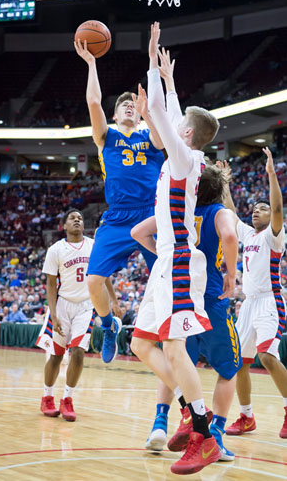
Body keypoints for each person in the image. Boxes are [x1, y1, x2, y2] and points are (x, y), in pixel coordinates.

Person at [131, 22, 221, 475]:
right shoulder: (182, 154)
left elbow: (166, 120)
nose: (170, 123)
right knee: (141, 343)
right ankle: (190, 409)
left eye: (178, 125)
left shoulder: (185, 158)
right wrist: (167, 80)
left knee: (174, 349)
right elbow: (171, 114)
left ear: (186, 135)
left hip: (181, 262)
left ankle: (204, 435)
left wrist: (150, 62)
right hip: (166, 263)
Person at [136, 164, 241, 461]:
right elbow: (231, 235)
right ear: (219, 190)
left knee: (176, 359)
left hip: (180, 295)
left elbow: (139, 232)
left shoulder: (177, 212)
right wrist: (231, 274)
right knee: (228, 370)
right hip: (211, 297)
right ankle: (215, 434)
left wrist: (164, 255)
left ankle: (160, 422)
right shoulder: (221, 213)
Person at [74, 38, 165, 365]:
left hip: (152, 217)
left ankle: (169, 338)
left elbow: (160, 136)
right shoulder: (107, 137)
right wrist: (92, 63)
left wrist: (148, 112)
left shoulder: (149, 137)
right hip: (117, 218)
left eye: (132, 104)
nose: (128, 105)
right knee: (94, 281)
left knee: (166, 279)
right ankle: (108, 324)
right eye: (123, 104)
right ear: (114, 116)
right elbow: (94, 101)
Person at [223, 148, 287, 439]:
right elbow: (231, 213)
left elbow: (276, 210)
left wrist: (271, 175)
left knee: (267, 357)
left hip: (270, 302)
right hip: (247, 305)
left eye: (261, 208)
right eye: (255, 208)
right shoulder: (248, 234)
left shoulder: (274, 236)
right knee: (239, 362)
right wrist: (224, 183)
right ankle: (247, 417)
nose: (257, 211)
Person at [36, 209, 119, 422]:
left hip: (85, 306)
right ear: (64, 226)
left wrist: (113, 300)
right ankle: (47, 397)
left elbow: (104, 275)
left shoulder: (93, 246)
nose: (77, 220)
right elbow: (51, 285)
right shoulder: (56, 249)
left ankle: (67, 399)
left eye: (80, 218)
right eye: (72, 218)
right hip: (62, 304)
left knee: (79, 352)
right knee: (56, 355)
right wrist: (53, 315)